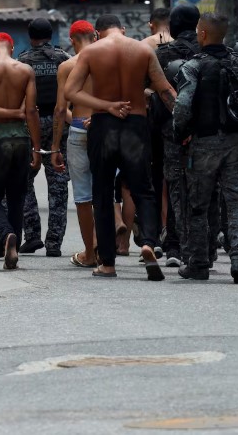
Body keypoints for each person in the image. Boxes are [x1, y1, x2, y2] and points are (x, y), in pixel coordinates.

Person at [65, 14, 177, 280]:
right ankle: (149, 242)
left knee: (102, 194)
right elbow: (164, 90)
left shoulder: (91, 52)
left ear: (98, 32)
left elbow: (71, 91)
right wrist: (183, 125)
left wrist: (106, 106)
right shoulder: (143, 50)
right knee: (144, 190)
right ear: (123, 29)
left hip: (102, 126)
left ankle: (108, 263)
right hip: (136, 126)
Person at [172, 12, 238, 283]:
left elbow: (183, 105)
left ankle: (198, 263)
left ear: (203, 34)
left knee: (198, 205)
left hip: (203, 144)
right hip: (237, 143)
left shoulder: (193, 66)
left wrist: (180, 133)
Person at [0, 33, 42, 271]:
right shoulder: (25, 70)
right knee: (16, 196)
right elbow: (31, 111)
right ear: (12, 47)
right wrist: (37, 148)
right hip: (21, 139)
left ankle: (5, 236)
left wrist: (8, 113)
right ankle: (11, 247)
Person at [17, 18, 70, 257]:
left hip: (32, 124)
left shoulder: (22, 61)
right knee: (58, 184)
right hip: (60, 123)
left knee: (24, 180)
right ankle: (54, 243)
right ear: (51, 35)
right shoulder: (64, 60)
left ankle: (32, 235)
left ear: (31, 36)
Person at [155, 4, 202, 267]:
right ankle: (203, 247)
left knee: (175, 186)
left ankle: (176, 244)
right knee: (205, 188)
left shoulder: (163, 54)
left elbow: (151, 91)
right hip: (206, 132)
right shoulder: (209, 50)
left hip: (171, 131)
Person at [51, 20, 98, 268]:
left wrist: (55, 147)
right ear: (95, 35)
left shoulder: (68, 66)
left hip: (79, 128)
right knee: (103, 190)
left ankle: (90, 253)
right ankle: (105, 247)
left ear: (72, 40)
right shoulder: (106, 62)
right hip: (103, 129)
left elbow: (61, 109)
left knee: (82, 196)